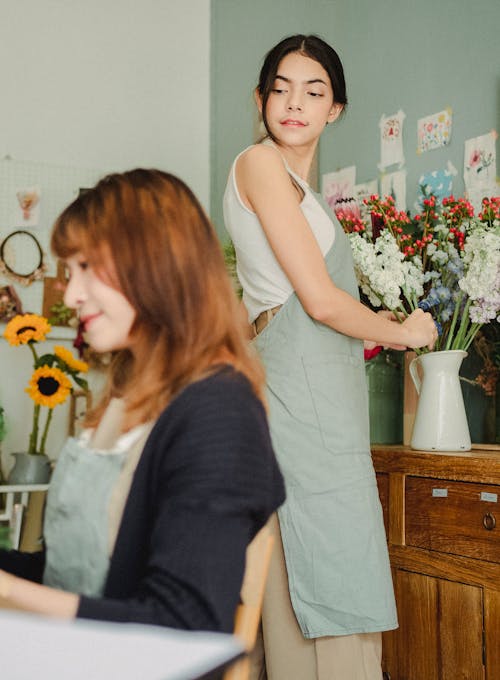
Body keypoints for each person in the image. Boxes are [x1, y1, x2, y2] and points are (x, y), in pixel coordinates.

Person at [223, 34, 437, 679]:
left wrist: (381, 321)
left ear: (334, 109)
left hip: (319, 400)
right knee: (316, 570)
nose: (295, 104)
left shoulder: (304, 193)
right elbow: (316, 300)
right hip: (299, 396)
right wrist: (408, 332)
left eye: (313, 92)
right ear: (259, 100)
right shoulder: (259, 164)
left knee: (326, 562)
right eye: (281, 89)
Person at [0, 169, 285, 631]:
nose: (71, 294)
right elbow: (67, 576)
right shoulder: (123, 399)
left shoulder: (220, 412)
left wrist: (9, 592)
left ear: (156, 263)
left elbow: (184, 624)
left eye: (85, 268)